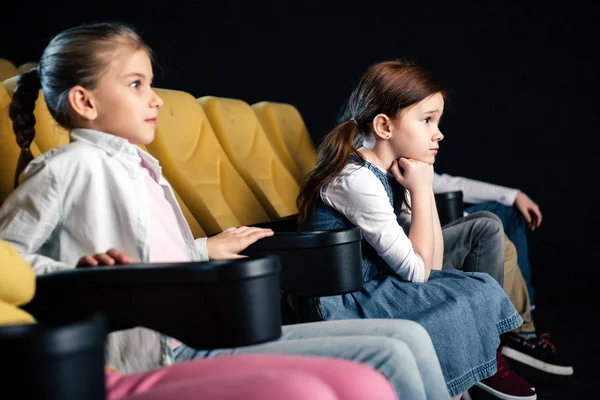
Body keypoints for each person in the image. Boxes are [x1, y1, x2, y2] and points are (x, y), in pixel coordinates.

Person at [0, 23, 450, 400]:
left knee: (407, 338)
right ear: (85, 101)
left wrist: (201, 249)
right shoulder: (67, 167)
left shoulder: (140, 166)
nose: (155, 99)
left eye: (151, 84)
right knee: (389, 353)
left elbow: (146, 254)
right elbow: (9, 267)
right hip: (155, 351)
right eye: (137, 85)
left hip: (194, 331)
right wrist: (76, 272)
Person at [298, 60, 536, 400]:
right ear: (384, 126)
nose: (438, 133)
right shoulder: (356, 179)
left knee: (476, 285)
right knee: (470, 292)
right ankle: (467, 370)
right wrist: (422, 190)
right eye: (427, 120)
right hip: (345, 300)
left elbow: (431, 268)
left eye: (437, 121)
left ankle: (472, 363)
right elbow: (419, 273)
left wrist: (416, 188)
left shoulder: (392, 171)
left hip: (376, 283)